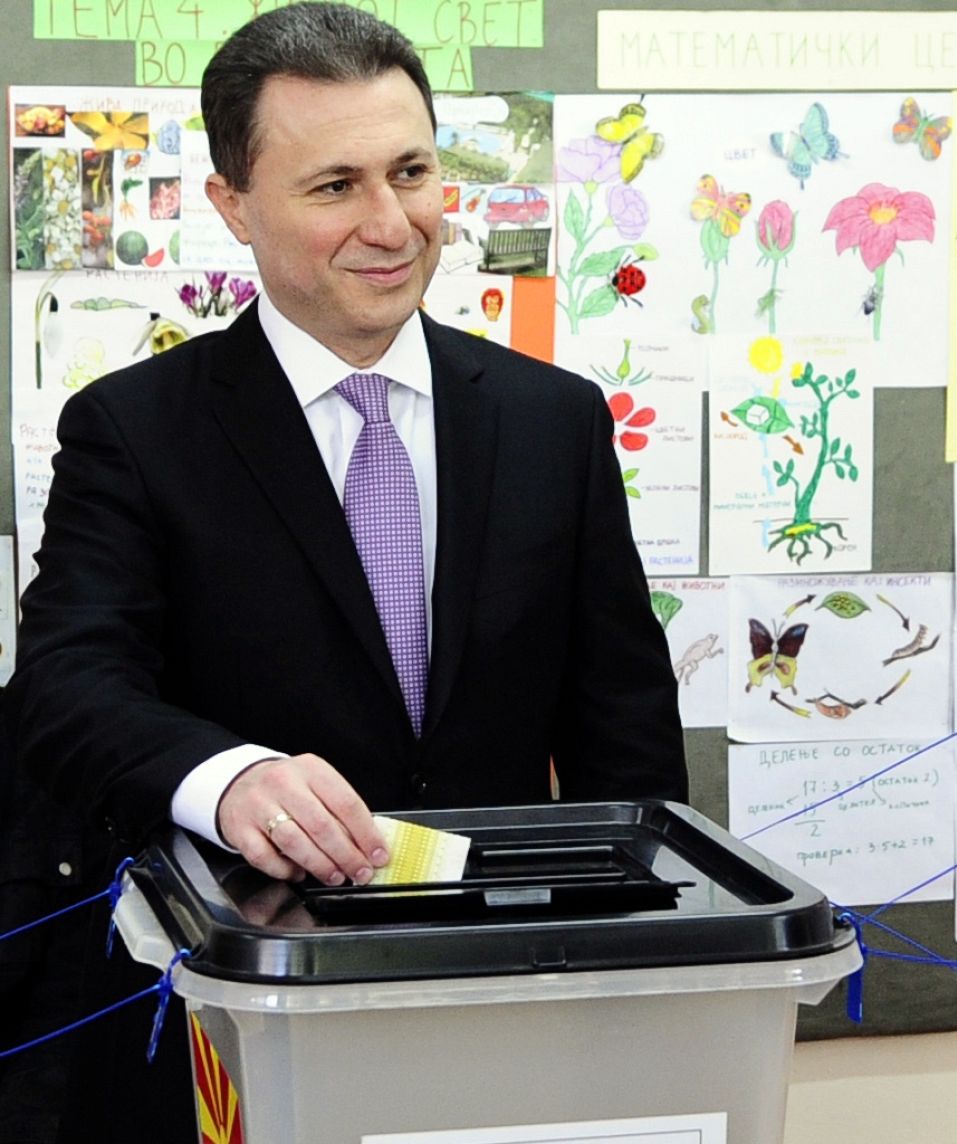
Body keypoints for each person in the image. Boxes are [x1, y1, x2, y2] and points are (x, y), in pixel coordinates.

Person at [2, 6, 686, 1140]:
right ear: (233, 205)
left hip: (497, 1005)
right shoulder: (136, 429)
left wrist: (645, 975)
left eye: (412, 171)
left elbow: (624, 725)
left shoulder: (549, 421)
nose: (392, 222)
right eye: (334, 187)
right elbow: (67, 689)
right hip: (236, 1020)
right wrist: (226, 777)